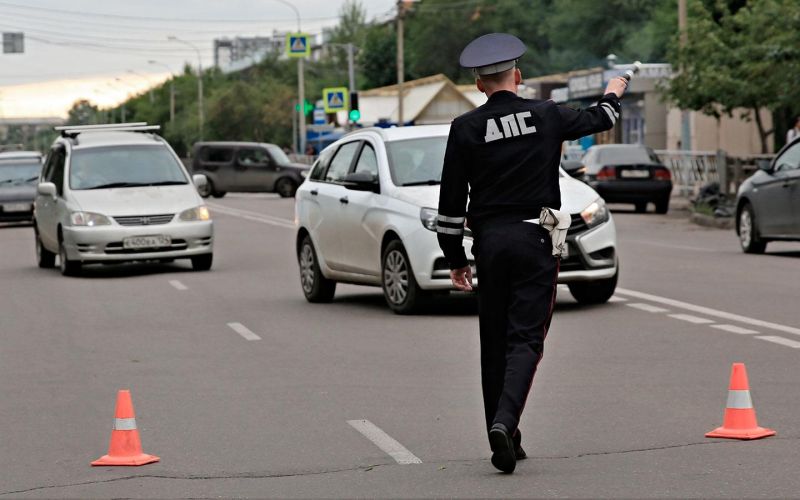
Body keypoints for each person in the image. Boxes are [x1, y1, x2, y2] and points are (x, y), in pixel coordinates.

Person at [436, 33, 628, 474]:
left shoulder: (464, 128)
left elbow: (451, 204)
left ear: (480, 85)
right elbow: (601, 118)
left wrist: (455, 259)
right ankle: (507, 422)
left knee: (494, 341)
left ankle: (503, 436)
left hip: (490, 243)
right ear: (518, 77)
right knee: (525, 338)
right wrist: (614, 91)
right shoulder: (546, 114)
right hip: (534, 239)